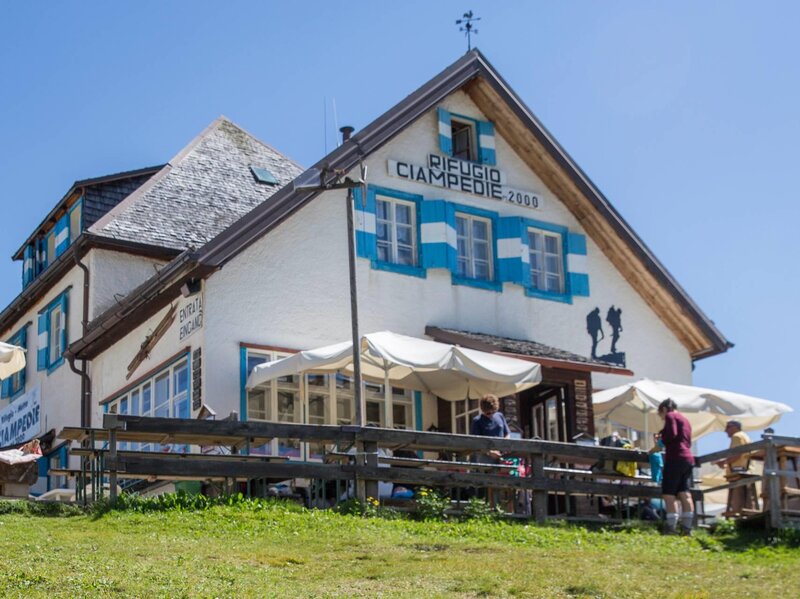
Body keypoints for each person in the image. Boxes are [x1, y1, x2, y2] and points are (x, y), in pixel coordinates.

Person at [657, 399, 695, 535]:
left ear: (664, 409)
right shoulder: (685, 420)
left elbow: (671, 434)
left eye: (660, 414)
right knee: (684, 492)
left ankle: (671, 527)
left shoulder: (670, 415)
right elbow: (685, 438)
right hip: (688, 458)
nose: (661, 417)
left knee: (669, 493)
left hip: (675, 457)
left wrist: (660, 441)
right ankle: (687, 528)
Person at [714, 420, 755, 515]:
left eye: (728, 427)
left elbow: (737, 454)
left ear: (735, 427)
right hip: (746, 469)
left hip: (738, 470)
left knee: (737, 496)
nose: (725, 430)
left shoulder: (737, 436)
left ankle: (739, 516)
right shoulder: (744, 436)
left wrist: (724, 462)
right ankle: (748, 514)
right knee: (747, 496)